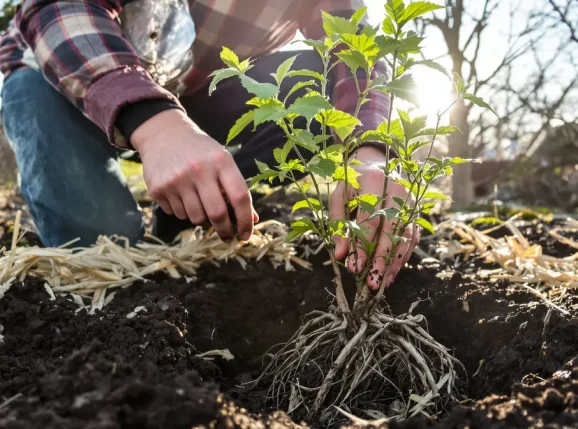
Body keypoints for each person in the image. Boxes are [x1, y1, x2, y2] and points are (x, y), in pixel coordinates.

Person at [0, 0, 419, 290]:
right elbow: (61, 8)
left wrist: (371, 151)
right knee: (107, 262)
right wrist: (156, 125)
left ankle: (188, 216)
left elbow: (355, 52)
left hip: (198, 89)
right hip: (70, 80)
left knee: (313, 82)